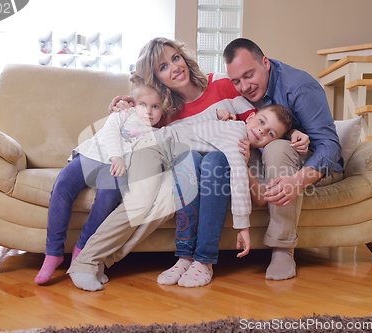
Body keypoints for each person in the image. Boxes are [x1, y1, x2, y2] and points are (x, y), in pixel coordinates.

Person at [67, 37, 309, 291]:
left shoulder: (222, 84)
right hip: (175, 164)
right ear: (156, 78)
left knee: (183, 184)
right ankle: (89, 262)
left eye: (175, 58)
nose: (174, 68)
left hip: (211, 170)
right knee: (150, 197)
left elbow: (263, 118)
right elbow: (146, 125)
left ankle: (104, 260)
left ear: (184, 58)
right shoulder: (165, 108)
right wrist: (129, 103)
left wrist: (292, 133)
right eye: (162, 67)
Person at [223, 38, 343, 281]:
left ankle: (283, 250)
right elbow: (193, 91)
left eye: (249, 75)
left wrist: (298, 180)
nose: (244, 87)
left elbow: (330, 146)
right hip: (259, 165)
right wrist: (139, 101)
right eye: (236, 81)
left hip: (308, 165)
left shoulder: (299, 87)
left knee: (276, 148)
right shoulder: (235, 88)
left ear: (265, 63)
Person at [34, 75, 169, 285]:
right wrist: (116, 156)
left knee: (108, 197)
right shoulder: (124, 113)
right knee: (62, 186)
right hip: (92, 155)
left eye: (156, 107)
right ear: (134, 103)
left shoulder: (157, 133)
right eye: (143, 105)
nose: (149, 112)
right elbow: (111, 132)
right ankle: (53, 252)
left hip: (114, 169)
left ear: (164, 109)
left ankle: (82, 249)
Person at [156, 103, 304, 287]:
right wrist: (243, 227)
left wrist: (245, 165)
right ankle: (184, 258)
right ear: (249, 118)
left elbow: (260, 198)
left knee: (215, 160)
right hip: (180, 159)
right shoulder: (232, 129)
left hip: (214, 176)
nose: (261, 130)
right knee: (190, 157)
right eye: (261, 121)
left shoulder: (252, 155)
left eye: (270, 133)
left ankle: (203, 260)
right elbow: (189, 125)